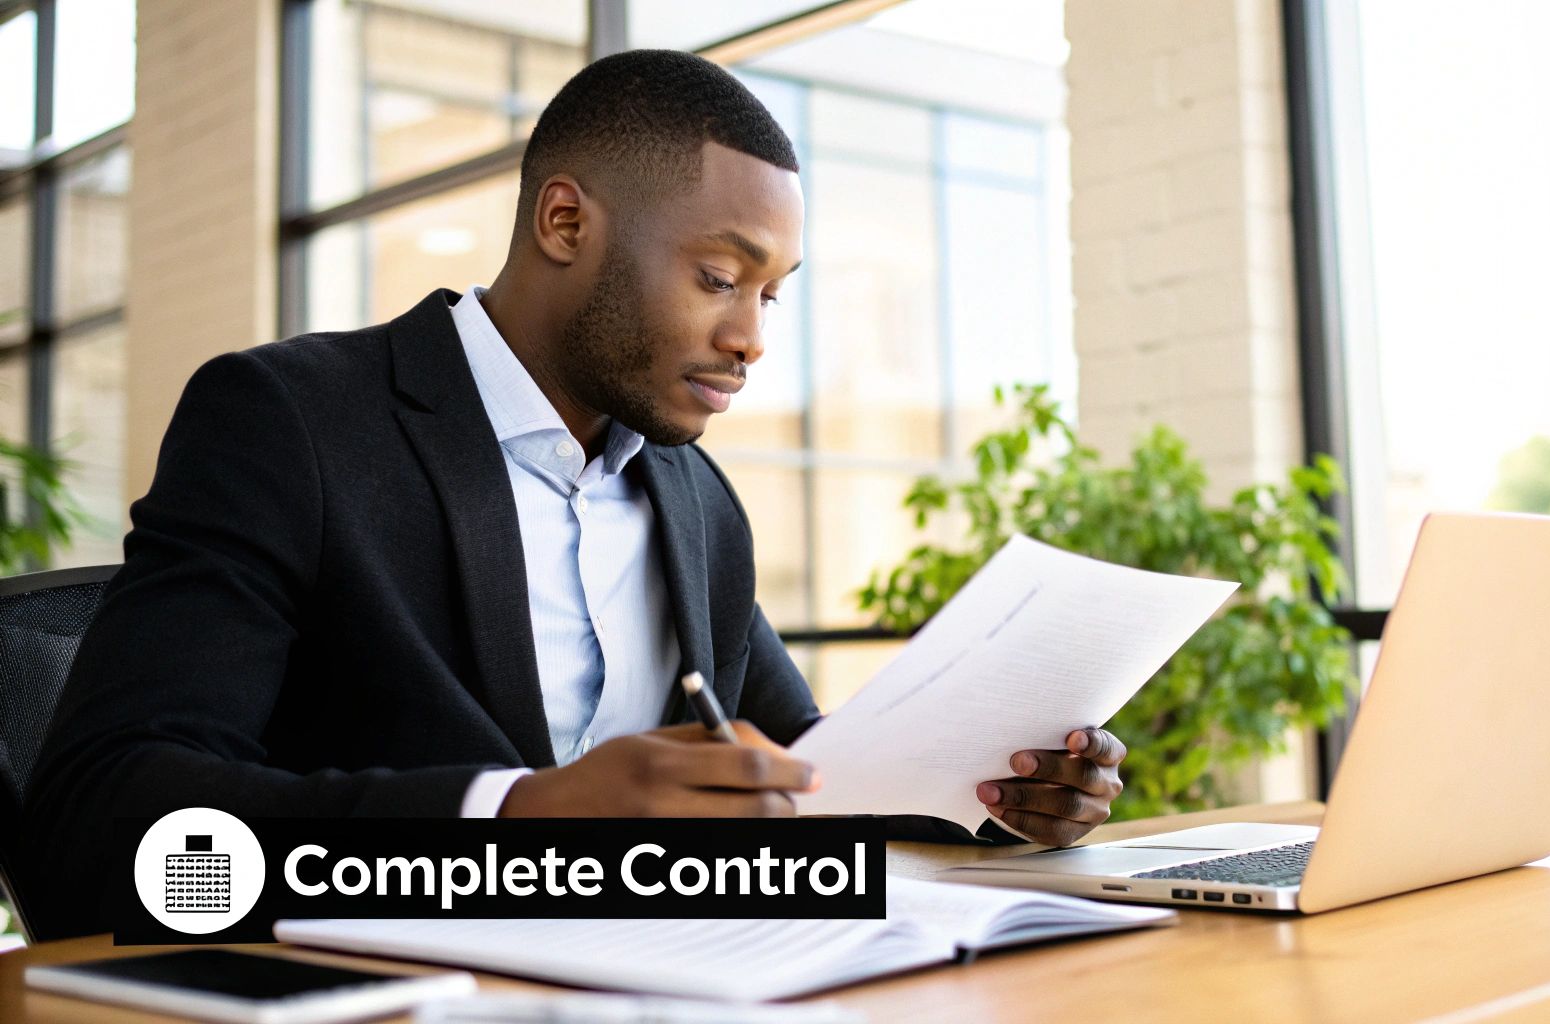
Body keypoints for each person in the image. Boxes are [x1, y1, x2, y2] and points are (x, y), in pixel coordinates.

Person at [22, 50, 1126, 939]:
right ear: (564, 223)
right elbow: (100, 824)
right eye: (717, 278)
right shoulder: (289, 423)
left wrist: (988, 797)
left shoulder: (693, 499)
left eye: (770, 295)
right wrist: (519, 817)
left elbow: (810, 776)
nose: (747, 339)